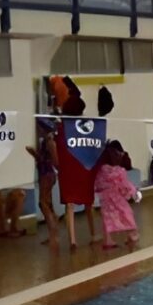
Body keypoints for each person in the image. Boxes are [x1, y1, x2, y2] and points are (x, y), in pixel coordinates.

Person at [53, 91, 98, 249]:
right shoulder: (89, 127)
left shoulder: (61, 128)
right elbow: (95, 147)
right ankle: (93, 234)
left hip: (68, 169)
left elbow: (57, 147)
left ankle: (73, 240)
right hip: (85, 168)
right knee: (88, 203)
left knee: (70, 205)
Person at [93, 140, 141, 249]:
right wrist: (133, 193)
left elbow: (97, 184)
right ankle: (132, 234)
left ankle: (108, 239)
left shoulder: (101, 171)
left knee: (107, 219)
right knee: (127, 214)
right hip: (118, 199)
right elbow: (125, 185)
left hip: (105, 199)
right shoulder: (119, 171)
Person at [34, 117, 60, 241]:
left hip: (47, 173)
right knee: (48, 204)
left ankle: (53, 233)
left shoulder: (50, 142)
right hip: (45, 172)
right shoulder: (45, 142)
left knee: (43, 203)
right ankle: (53, 231)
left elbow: (55, 162)